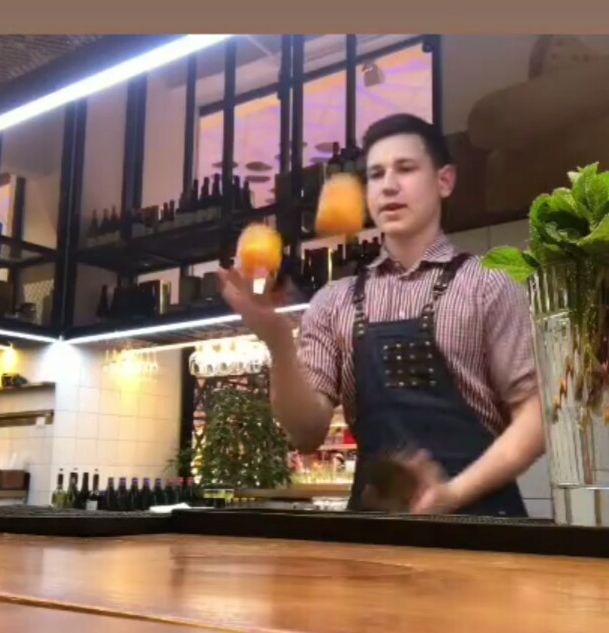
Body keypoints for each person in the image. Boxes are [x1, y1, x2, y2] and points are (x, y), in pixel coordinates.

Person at [218, 113, 545, 516]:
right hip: (374, 532)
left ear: (444, 181)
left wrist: (452, 494)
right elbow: (306, 433)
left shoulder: (488, 284)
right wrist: (279, 342)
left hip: (483, 525)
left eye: (405, 168)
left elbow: (535, 416)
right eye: (376, 174)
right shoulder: (333, 301)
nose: (388, 185)